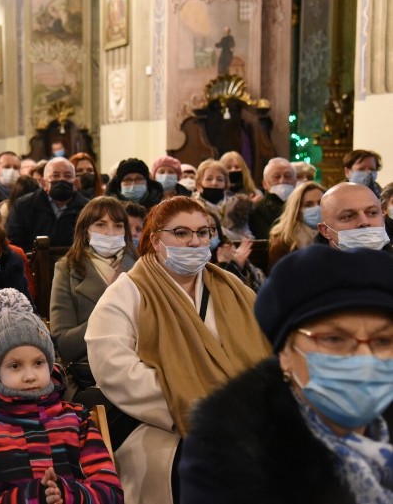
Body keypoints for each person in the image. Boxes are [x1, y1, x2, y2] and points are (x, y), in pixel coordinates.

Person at [85, 196, 271, 504]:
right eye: (181, 233)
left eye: (203, 232)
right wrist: (191, 403)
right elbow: (114, 367)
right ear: (156, 240)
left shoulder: (234, 289)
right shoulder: (128, 290)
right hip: (161, 420)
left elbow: (265, 351)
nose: (194, 241)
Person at [180, 245, 393, 504]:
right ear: (285, 355)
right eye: (334, 339)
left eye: (383, 340)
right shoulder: (227, 452)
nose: (364, 357)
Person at [0, 288, 124, 504]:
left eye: (38, 363)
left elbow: (111, 492)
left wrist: (66, 493)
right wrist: (30, 497)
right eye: (15, 366)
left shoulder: (77, 420)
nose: (29, 376)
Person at [50, 197, 137, 407]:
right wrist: (107, 316)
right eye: (100, 224)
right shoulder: (67, 269)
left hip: (136, 369)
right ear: (85, 231)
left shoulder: (140, 268)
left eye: (118, 226)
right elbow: (64, 343)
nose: (110, 233)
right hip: (89, 375)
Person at [6, 157, 89, 253]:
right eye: (55, 176)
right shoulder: (24, 206)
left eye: (67, 176)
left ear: (75, 183)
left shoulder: (87, 208)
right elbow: (14, 243)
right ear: (43, 183)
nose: (62, 180)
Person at [317, 182, 392, 252]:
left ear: (383, 218)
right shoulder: (311, 265)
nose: (364, 222)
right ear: (325, 230)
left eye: (372, 213)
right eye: (348, 216)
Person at [268, 181, 325, 268]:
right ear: (297, 210)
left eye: (320, 203)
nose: (316, 208)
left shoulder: (334, 236)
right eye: (308, 205)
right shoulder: (283, 242)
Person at [248, 157, 297, 239]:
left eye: (287, 176)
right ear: (265, 184)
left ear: (295, 181)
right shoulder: (256, 211)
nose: (282, 181)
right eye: (277, 177)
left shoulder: (302, 206)